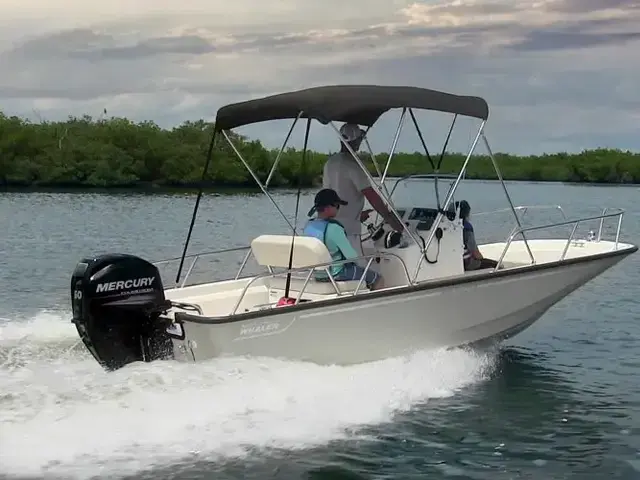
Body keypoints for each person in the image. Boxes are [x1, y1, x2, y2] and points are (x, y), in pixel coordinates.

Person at [323, 122, 406, 256]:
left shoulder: (330, 163)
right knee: (356, 267)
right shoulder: (353, 165)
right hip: (348, 231)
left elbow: (331, 195)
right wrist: (390, 219)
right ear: (357, 140)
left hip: (330, 229)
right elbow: (371, 195)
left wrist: (358, 216)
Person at [303, 188, 384, 290]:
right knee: (377, 278)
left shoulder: (308, 226)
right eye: (337, 206)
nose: (338, 209)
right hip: (337, 274)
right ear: (328, 208)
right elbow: (352, 256)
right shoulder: (334, 228)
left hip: (318, 274)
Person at [458, 200, 499, 271]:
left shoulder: (453, 226)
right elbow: (474, 251)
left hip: (458, 261)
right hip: (467, 263)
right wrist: (482, 259)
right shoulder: (467, 227)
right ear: (467, 214)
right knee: (497, 265)